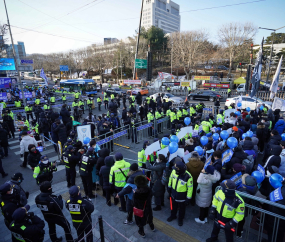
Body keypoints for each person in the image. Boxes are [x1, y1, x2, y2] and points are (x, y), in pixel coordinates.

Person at [167, 161, 193, 226]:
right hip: (174, 193)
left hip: (182, 195)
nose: (174, 170)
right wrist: (169, 187)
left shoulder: (188, 176)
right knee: (173, 206)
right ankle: (173, 216)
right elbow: (170, 179)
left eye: (176, 169)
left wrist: (188, 198)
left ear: (180, 169)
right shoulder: (173, 171)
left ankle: (180, 219)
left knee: (182, 209)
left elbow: (190, 188)